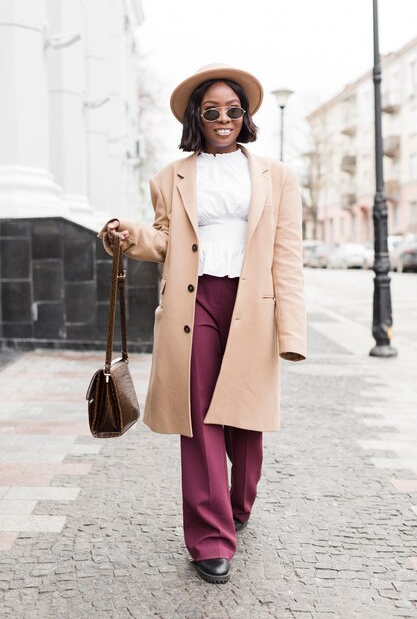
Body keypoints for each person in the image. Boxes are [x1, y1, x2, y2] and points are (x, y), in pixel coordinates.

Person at [99, 63, 306, 584]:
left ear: (245, 116)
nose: (223, 118)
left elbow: (288, 254)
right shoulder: (171, 177)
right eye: (212, 110)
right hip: (195, 305)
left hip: (253, 303)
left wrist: (293, 332)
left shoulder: (276, 177)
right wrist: (128, 235)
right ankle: (210, 536)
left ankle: (238, 502)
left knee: (246, 422)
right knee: (201, 419)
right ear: (197, 116)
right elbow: (166, 239)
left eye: (233, 110)